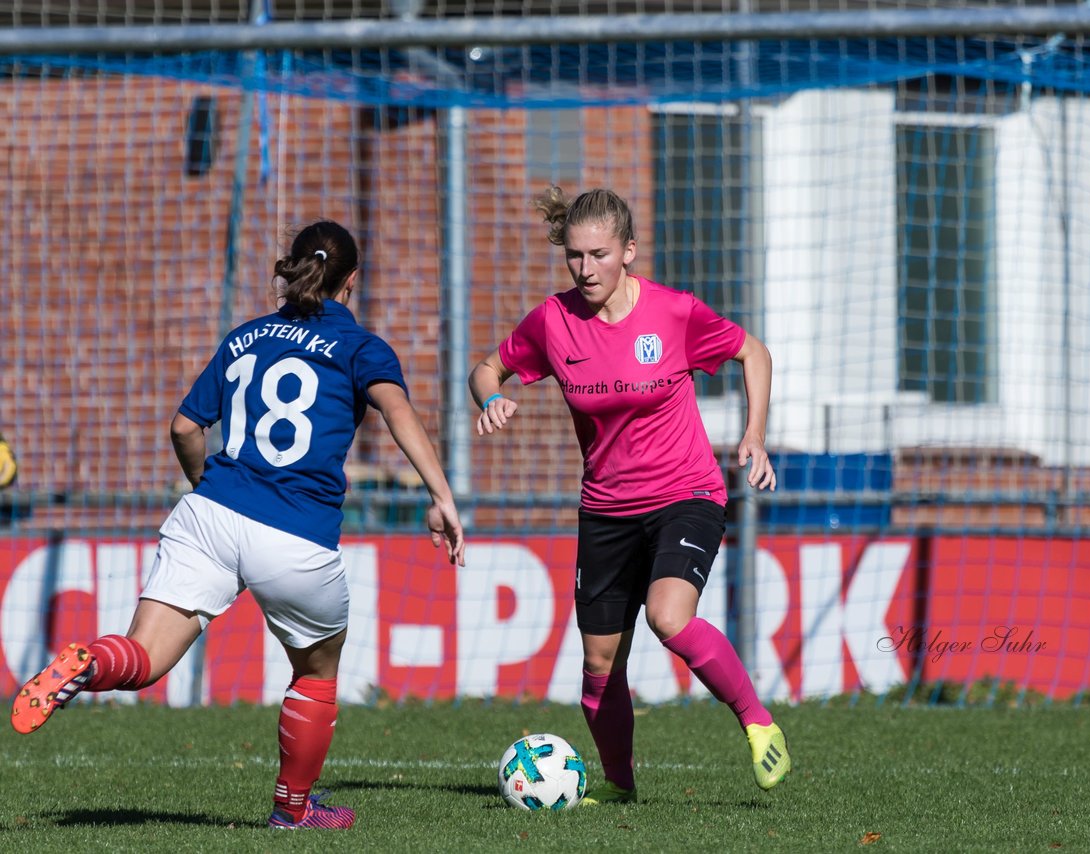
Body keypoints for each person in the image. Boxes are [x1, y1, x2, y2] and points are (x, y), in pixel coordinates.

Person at [10, 220, 465, 830]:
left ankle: (85, 663)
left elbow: (183, 428)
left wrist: (206, 489)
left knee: (142, 656)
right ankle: (292, 812)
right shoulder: (361, 347)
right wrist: (441, 496)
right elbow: (399, 411)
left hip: (211, 514)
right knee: (315, 672)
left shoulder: (245, 336)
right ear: (351, 280)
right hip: (296, 534)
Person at [469, 187, 789, 804]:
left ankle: (756, 721)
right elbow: (486, 369)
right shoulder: (552, 321)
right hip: (606, 508)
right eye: (574, 256)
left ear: (629, 252)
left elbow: (754, 351)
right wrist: (491, 399)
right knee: (598, 669)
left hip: (686, 492)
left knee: (670, 617)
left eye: (599, 255)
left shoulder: (674, 313)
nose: (585, 269)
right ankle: (620, 787)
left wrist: (755, 434)